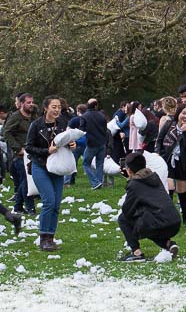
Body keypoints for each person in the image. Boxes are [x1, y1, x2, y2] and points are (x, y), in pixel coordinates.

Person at [25, 95, 72, 251]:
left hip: (57, 167)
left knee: (56, 204)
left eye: (59, 107)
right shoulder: (36, 125)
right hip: (40, 166)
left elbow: (66, 141)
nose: (57, 109)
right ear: (46, 108)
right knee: (49, 201)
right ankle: (43, 238)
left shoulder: (63, 123)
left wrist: (71, 144)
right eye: (54, 107)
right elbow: (29, 148)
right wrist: (47, 151)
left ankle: (51, 237)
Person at [117, 151, 182, 261]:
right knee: (148, 222)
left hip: (159, 223)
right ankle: (168, 244)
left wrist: (129, 180)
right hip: (174, 221)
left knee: (123, 219)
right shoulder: (154, 177)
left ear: (129, 170)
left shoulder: (134, 184)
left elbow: (127, 211)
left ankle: (136, 252)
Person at [155, 102, 186, 225]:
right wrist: (158, 153)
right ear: (178, 114)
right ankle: (168, 216)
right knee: (170, 187)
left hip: (182, 162)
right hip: (167, 160)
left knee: (182, 191)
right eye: (183, 113)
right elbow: (160, 139)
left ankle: (185, 217)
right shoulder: (169, 125)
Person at [3, 92, 38, 216]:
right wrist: (18, 149)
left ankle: (18, 206)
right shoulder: (15, 117)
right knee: (26, 180)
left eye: (32, 102)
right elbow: (6, 133)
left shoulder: (34, 116)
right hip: (19, 155)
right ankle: (30, 208)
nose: (31, 104)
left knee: (26, 180)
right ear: (22, 103)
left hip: (32, 153)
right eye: (28, 102)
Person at [80, 97, 108, 190]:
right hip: (102, 143)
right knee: (100, 164)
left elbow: (81, 130)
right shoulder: (102, 116)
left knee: (85, 163)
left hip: (91, 143)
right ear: (96, 105)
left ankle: (95, 182)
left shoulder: (84, 116)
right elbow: (105, 130)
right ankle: (99, 182)